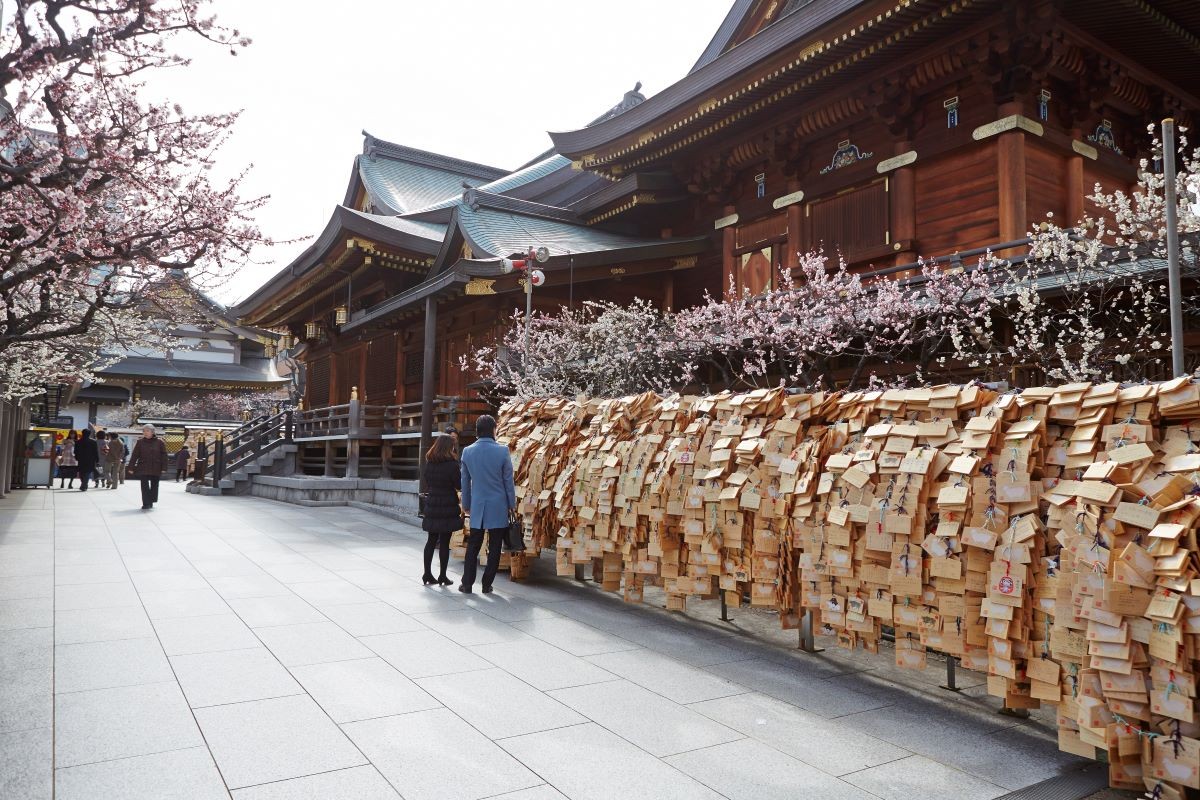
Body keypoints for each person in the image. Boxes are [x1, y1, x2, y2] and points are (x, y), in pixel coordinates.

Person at [459, 414, 516, 594]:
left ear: (477, 430)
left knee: (473, 545)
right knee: (495, 546)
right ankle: (486, 584)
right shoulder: (502, 451)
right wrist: (511, 504)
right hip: (498, 505)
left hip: (477, 505)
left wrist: (466, 504)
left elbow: (465, 483)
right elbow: (508, 481)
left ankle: (467, 584)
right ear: (493, 429)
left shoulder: (467, 451)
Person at [420, 425, 461, 587]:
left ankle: (427, 573)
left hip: (433, 503)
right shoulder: (452, 465)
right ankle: (443, 575)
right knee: (444, 541)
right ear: (448, 447)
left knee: (431, 540)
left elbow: (427, 482)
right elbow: (458, 485)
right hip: (447, 504)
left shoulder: (430, 463)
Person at [128, 425, 168, 510]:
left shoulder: (160, 442)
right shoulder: (140, 442)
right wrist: (131, 467)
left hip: (156, 466)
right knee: (144, 485)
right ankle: (146, 503)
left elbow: (164, 455)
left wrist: (164, 468)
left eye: (147, 431)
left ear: (152, 432)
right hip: (143, 466)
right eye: (144, 431)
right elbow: (135, 455)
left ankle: (152, 500)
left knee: (155, 485)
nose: (145, 433)